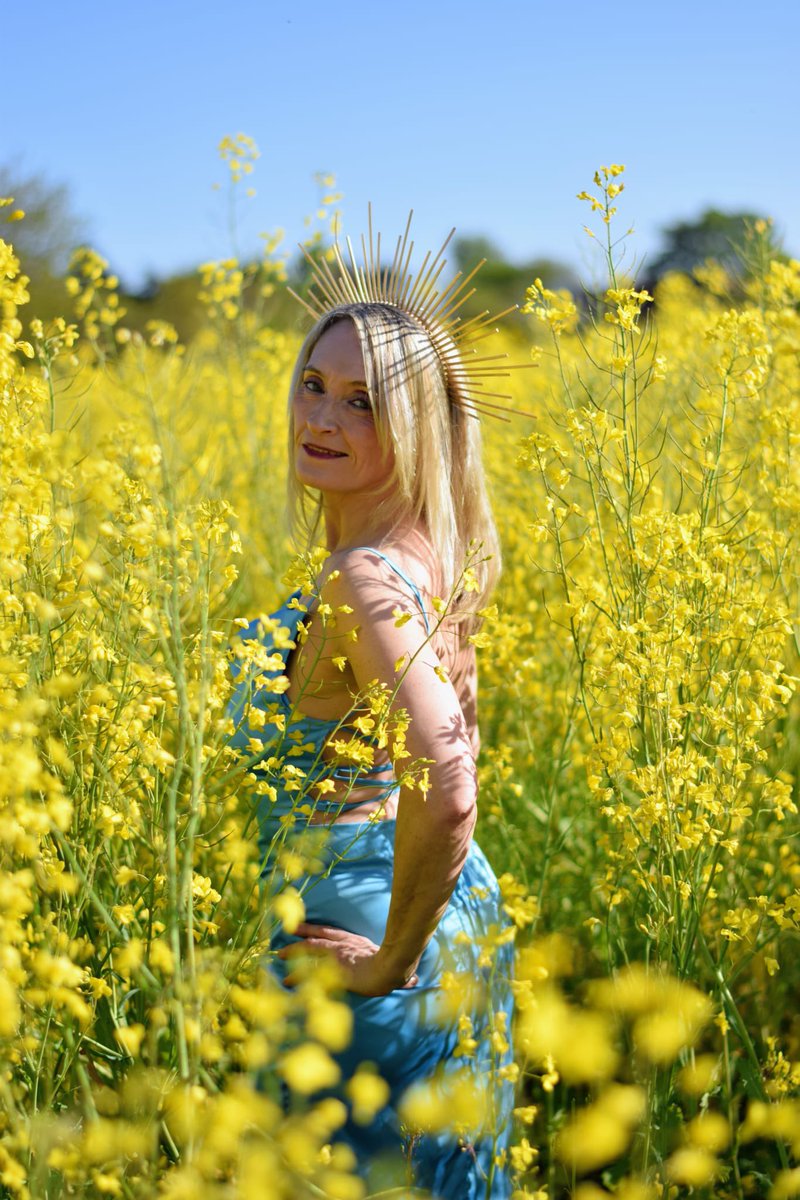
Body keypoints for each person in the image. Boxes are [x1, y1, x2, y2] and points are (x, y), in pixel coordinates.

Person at [226, 232, 517, 1197]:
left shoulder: (361, 578)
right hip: (452, 910)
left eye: (363, 403)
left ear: (416, 429)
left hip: (367, 938)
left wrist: (389, 960)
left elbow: (443, 764)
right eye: (315, 384)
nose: (323, 416)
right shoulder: (432, 552)